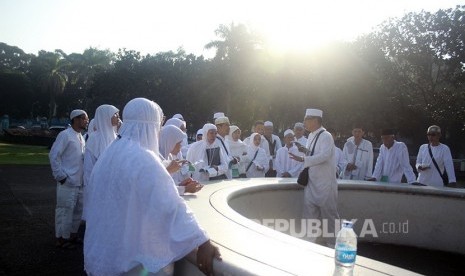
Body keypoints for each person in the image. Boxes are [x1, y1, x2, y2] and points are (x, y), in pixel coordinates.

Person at [84, 98, 221, 276]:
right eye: (159, 125)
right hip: (130, 264)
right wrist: (203, 241)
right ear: (152, 125)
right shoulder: (144, 159)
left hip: (103, 257)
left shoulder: (110, 152)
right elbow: (171, 206)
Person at [289, 108, 339, 246]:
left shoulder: (326, 136)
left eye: (307, 120)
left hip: (325, 184)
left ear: (316, 120)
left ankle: (333, 247)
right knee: (309, 217)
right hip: (311, 182)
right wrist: (304, 151)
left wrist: (303, 160)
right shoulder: (311, 135)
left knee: (330, 219)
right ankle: (308, 245)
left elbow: (325, 155)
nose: (304, 122)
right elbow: (313, 153)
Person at [49, 109, 89, 249]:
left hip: (79, 182)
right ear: (76, 119)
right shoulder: (65, 135)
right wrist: (61, 177)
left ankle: (72, 236)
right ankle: (61, 239)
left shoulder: (81, 136)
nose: (87, 121)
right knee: (64, 211)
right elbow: (54, 156)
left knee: (77, 211)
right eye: (85, 118)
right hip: (67, 181)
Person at [83, 104, 119, 220]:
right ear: (105, 116)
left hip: (114, 186)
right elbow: (89, 167)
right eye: (114, 114)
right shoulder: (94, 138)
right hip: (98, 187)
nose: (118, 116)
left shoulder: (117, 137)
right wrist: (91, 189)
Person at [159, 125, 203, 194]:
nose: (181, 146)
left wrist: (182, 184)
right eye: (179, 143)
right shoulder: (157, 160)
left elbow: (171, 183)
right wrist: (185, 189)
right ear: (170, 143)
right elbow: (160, 188)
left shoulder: (169, 156)